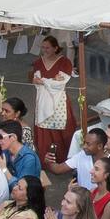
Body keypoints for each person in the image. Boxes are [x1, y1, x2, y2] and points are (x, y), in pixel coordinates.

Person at [31, 35, 78, 165]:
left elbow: (61, 83)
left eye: (47, 47)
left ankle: (65, 158)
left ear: (55, 48)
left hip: (59, 102)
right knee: (44, 129)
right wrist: (48, 81)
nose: (44, 50)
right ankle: (45, 159)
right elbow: (35, 80)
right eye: (43, 47)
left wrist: (44, 81)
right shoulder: (38, 63)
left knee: (62, 129)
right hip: (42, 101)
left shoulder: (64, 62)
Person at [46, 127, 106, 191]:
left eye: (88, 144)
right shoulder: (82, 155)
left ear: (99, 146)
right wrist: (49, 161)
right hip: (82, 198)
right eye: (84, 143)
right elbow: (58, 169)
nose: (84, 147)